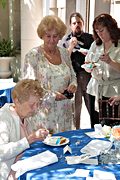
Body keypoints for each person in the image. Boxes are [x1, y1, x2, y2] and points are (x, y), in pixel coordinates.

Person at [22, 15, 77, 134]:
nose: (52, 40)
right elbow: (28, 87)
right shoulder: (33, 55)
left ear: (60, 36)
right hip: (43, 114)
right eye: (48, 36)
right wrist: (52, 95)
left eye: (55, 36)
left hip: (64, 112)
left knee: (65, 145)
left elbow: (72, 74)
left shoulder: (64, 53)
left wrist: (73, 84)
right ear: (42, 35)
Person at [0, 79, 49, 180]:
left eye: (37, 104)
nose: (35, 109)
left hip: (25, 166)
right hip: (8, 174)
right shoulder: (3, 118)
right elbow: (1, 152)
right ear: (17, 101)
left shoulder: (24, 114)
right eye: (32, 105)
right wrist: (30, 139)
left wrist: (38, 136)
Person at [58, 12, 94, 129]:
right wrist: (71, 47)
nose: (77, 25)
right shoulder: (65, 40)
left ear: (83, 23)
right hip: (73, 77)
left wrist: (89, 55)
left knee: (91, 105)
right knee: (76, 108)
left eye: (79, 22)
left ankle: (95, 129)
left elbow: (96, 55)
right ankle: (76, 131)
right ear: (70, 25)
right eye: (74, 23)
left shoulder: (90, 38)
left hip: (88, 76)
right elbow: (63, 60)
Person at [84, 13, 120, 127]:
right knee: (95, 126)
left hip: (113, 91)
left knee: (112, 128)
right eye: (97, 31)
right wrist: (89, 67)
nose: (99, 34)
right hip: (95, 90)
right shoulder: (96, 44)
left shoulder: (118, 45)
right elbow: (87, 62)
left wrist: (110, 62)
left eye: (102, 30)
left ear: (110, 28)